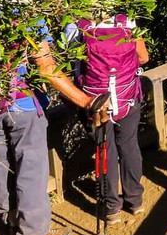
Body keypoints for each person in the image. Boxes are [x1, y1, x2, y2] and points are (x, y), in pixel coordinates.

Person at [0, 18, 105, 235]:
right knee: (31, 169)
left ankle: (8, 218)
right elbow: (46, 68)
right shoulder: (26, 13)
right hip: (21, 104)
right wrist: (86, 101)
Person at [62, 12, 150, 223]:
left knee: (104, 149)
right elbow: (143, 57)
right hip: (127, 96)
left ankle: (111, 207)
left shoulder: (75, 27)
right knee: (129, 144)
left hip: (96, 102)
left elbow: (71, 64)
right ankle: (135, 200)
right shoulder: (126, 22)